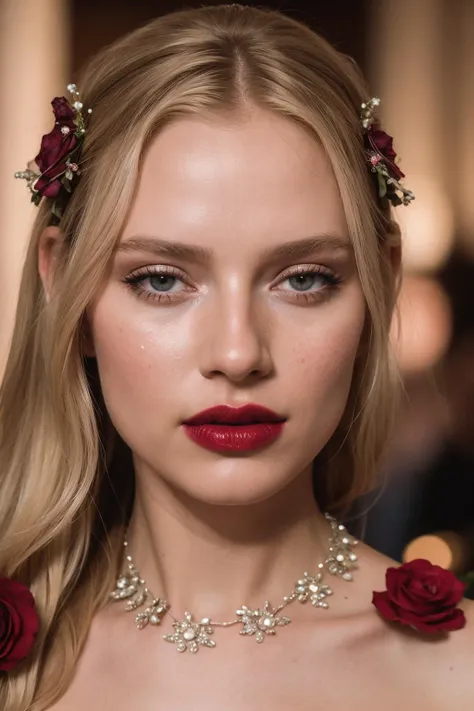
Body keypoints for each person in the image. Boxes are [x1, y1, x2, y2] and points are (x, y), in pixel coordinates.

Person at [1, 4, 472, 709]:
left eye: (304, 279)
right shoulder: (18, 668)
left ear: (381, 281)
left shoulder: (457, 671)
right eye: (161, 280)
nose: (237, 352)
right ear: (65, 285)